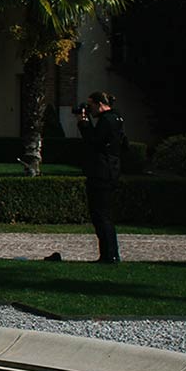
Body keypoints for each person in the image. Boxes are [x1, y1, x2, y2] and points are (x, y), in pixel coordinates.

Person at [76, 91, 126, 263]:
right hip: (111, 169)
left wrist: (83, 124)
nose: (90, 110)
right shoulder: (117, 118)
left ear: (99, 104)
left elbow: (94, 141)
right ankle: (110, 253)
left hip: (102, 171)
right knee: (105, 214)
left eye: (90, 106)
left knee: (100, 214)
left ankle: (108, 254)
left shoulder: (106, 120)